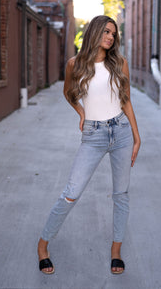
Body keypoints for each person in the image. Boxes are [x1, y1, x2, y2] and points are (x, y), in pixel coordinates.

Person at [37, 15, 141, 275]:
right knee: (71, 192)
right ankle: (42, 245)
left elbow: (125, 100)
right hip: (93, 135)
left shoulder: (120, 63)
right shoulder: (75, 64)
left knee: (121, 195)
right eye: (106, 31)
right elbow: (68, 93)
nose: (110, 37)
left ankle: (115, 251)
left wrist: (137, 137)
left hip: (121, 132)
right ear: (95, 32)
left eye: (113, 34)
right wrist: (82, 113)